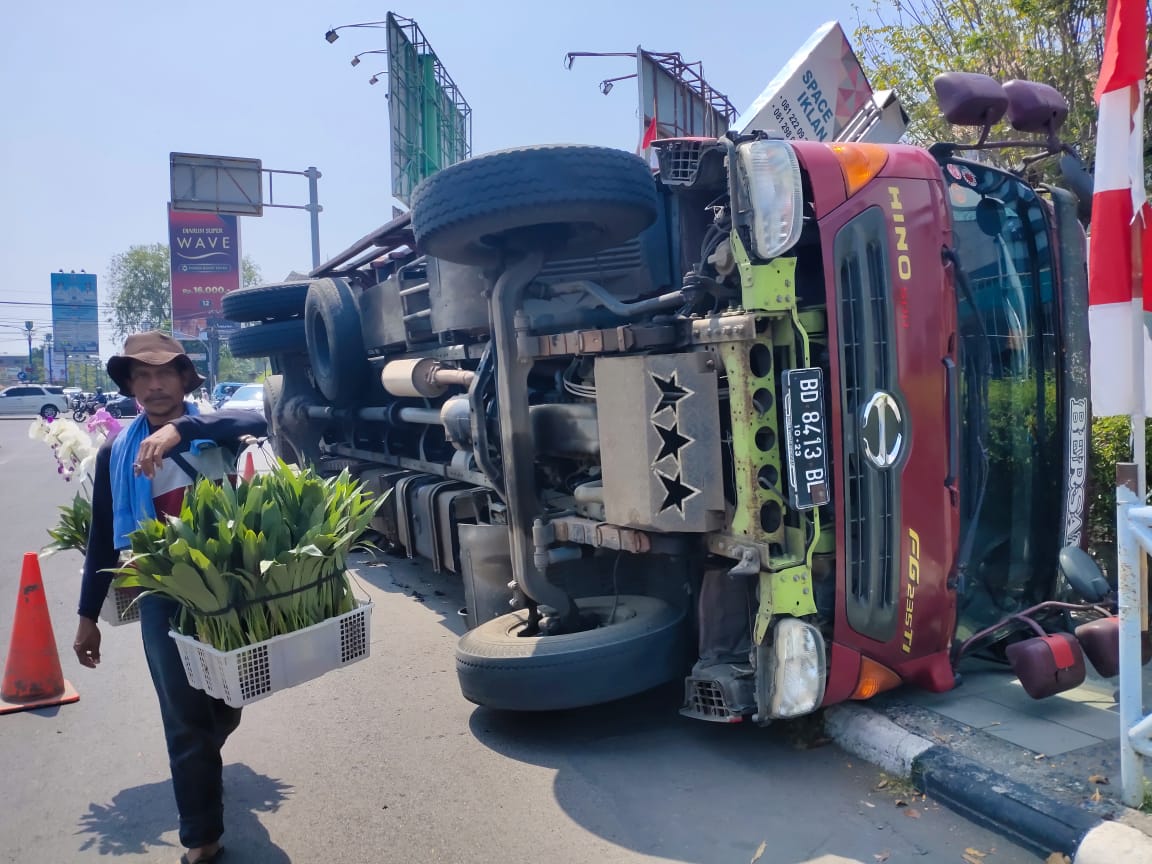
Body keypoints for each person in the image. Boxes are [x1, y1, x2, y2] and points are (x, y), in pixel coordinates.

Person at [73, 332, 267, 864]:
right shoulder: (118, 450)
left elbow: (259, 422)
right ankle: (201, 838)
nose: (154, 385)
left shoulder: (216, 429)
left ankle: (205, 750)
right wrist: (87, 616)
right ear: (131, 386)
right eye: (141, 375)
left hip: (229, 587)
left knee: (227, 702)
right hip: (161, 591)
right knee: (182, 713)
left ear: (185, 379)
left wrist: (180, 430)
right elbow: (101, 538)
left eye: (164, 374)